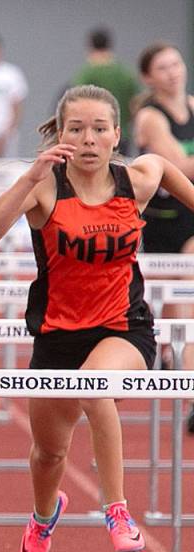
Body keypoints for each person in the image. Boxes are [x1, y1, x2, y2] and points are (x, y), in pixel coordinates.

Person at [0, 85, 194, 552]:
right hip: (57, 335)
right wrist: (29, 175)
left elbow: (170, 173)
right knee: (48, 455)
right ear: (61, 134)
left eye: (99, 129)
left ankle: (116, 509)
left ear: (117, 135)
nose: (88, 139)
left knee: (96, 390)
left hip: (124, 328)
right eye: (76, 129)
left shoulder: (137, 178)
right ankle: (42, 514)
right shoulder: (45, 185)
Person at [132, 42, 194, 432]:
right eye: (163, 67)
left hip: (191, 215)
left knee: (188, 285)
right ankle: (175, 362)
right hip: (162, 220)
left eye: (176, 63)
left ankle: (187, 385)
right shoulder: (150, 118)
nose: (172, 71)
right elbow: (181, 164)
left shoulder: (192, 104)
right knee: (174, 299)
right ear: (149, 77)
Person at [72, 27, 140, 155]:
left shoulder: (87, 74)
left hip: (94, 135)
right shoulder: (125, 74)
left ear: (90, 45)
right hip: (121, 134)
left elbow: (77, 102)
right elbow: (136, 103)